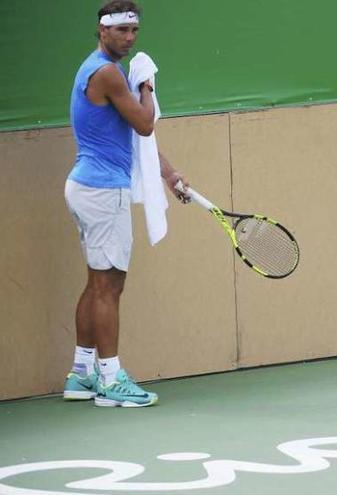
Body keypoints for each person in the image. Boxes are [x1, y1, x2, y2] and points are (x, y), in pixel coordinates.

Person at [63, 0, 189, 407]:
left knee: (98, 283)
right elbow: (146, 123)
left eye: (134, 31)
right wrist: (147, 83)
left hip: (87, 188)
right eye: (121, 31)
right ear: (102, 30)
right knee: (109, 287)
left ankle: (81, 374)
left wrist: (169, 176)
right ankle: (111, 379)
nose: (130, 38)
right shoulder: (107, 74)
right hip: (103, 194)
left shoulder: (104, 70)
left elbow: (136, 141)